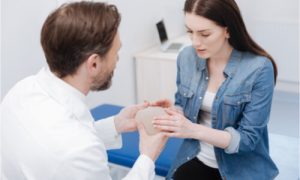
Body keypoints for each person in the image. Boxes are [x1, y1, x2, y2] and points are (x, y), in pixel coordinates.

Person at [1, 2, 167, 180]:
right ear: (94, 64)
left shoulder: (21, 90)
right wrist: (147, 158)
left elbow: (64, 141)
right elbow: (75, 150)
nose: (117, 60)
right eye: (116, 53)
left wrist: (116, 124)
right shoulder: (78, 150)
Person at [151, 0, 279, 179]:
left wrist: (193, 129)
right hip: (196, 157)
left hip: (240, 169)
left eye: (204, 34)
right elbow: (183, 106)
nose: (195, 42)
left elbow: (247, 140)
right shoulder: (186, 57)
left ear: (228, 30)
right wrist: (174, 111)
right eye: (190, 31)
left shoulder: (259, 69)